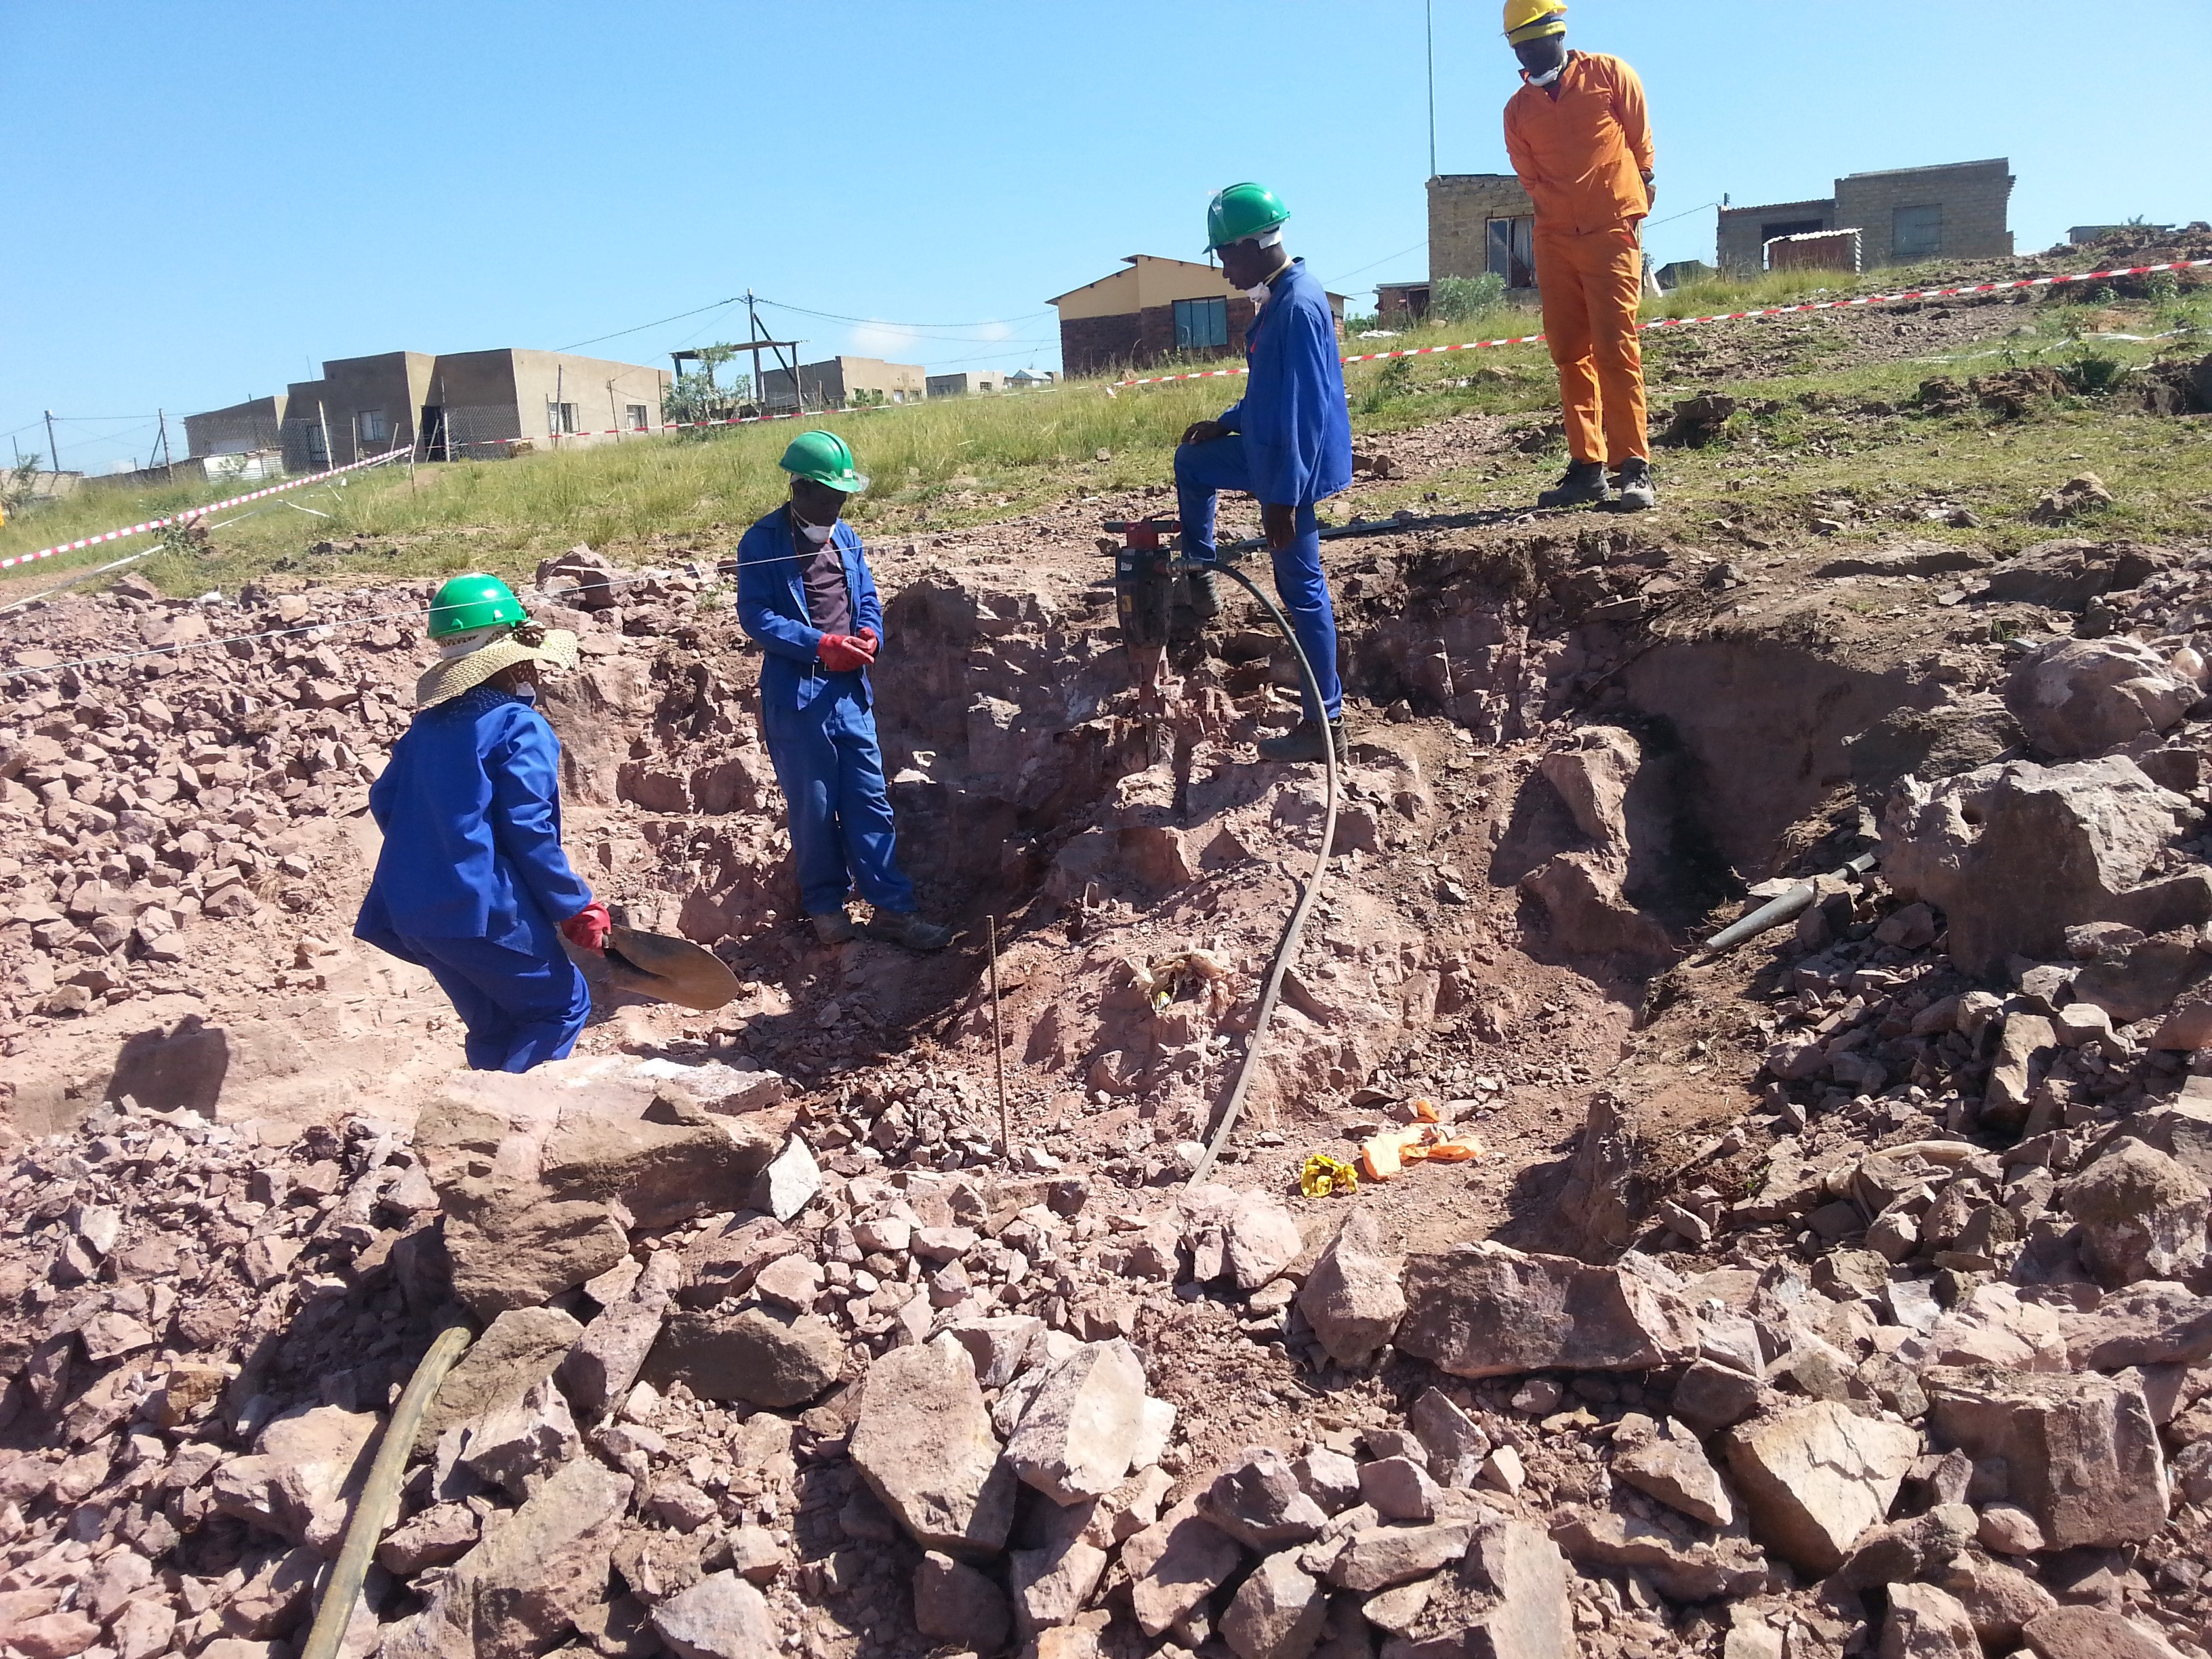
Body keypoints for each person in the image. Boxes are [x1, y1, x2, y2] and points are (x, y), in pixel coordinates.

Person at [355, 574, 609, 1072]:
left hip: (413, 912)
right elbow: (530, 831)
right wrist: (574, 908)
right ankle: (510, 1128)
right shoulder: (518, 726)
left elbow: (386, 800)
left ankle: (475, 1125)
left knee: (494, 1022)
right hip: (481, 910)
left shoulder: (426, 727)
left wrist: (436, 850)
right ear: (511, 657)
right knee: (558, 1007)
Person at [735, 431, 952, 951]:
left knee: (869, 802)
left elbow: (869, 596)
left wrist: (871, 630)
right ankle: (826, 909)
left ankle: (892, 910)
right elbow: (756, 616)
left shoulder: (846, 538)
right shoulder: (761, 542)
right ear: (800, 488)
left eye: (842, 498)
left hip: (850, 694)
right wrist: (818, 644)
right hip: (797, 697)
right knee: (813, 807)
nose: (835, 508)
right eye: (827, 496)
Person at [1176, 182, 1355, 764]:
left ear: (1255, 244)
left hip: (1291, 467)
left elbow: (1302, 410)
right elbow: (1268, 394)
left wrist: (1280, 500)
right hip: (1268, 448)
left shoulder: (1298, 306)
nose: (1223, 269)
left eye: (1226, 255)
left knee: (1301, 590)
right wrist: (1226, 424)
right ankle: (1201, 571)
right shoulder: (1279, 298)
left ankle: (1324, 725)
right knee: (1194, 462)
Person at [1501, 0, 1659, 512]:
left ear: (1557, 32)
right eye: (1515, 45)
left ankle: (1634, 467)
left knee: (1617, 347)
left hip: (1611, 230)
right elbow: (1530, 179)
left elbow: (1641, 149)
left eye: (1531, 41)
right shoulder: (1517, 111)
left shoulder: (1611, 75)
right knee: (1570, 353)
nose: (1524, 52)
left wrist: (1627, 208)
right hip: (1554, 238)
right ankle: (1586, 467)